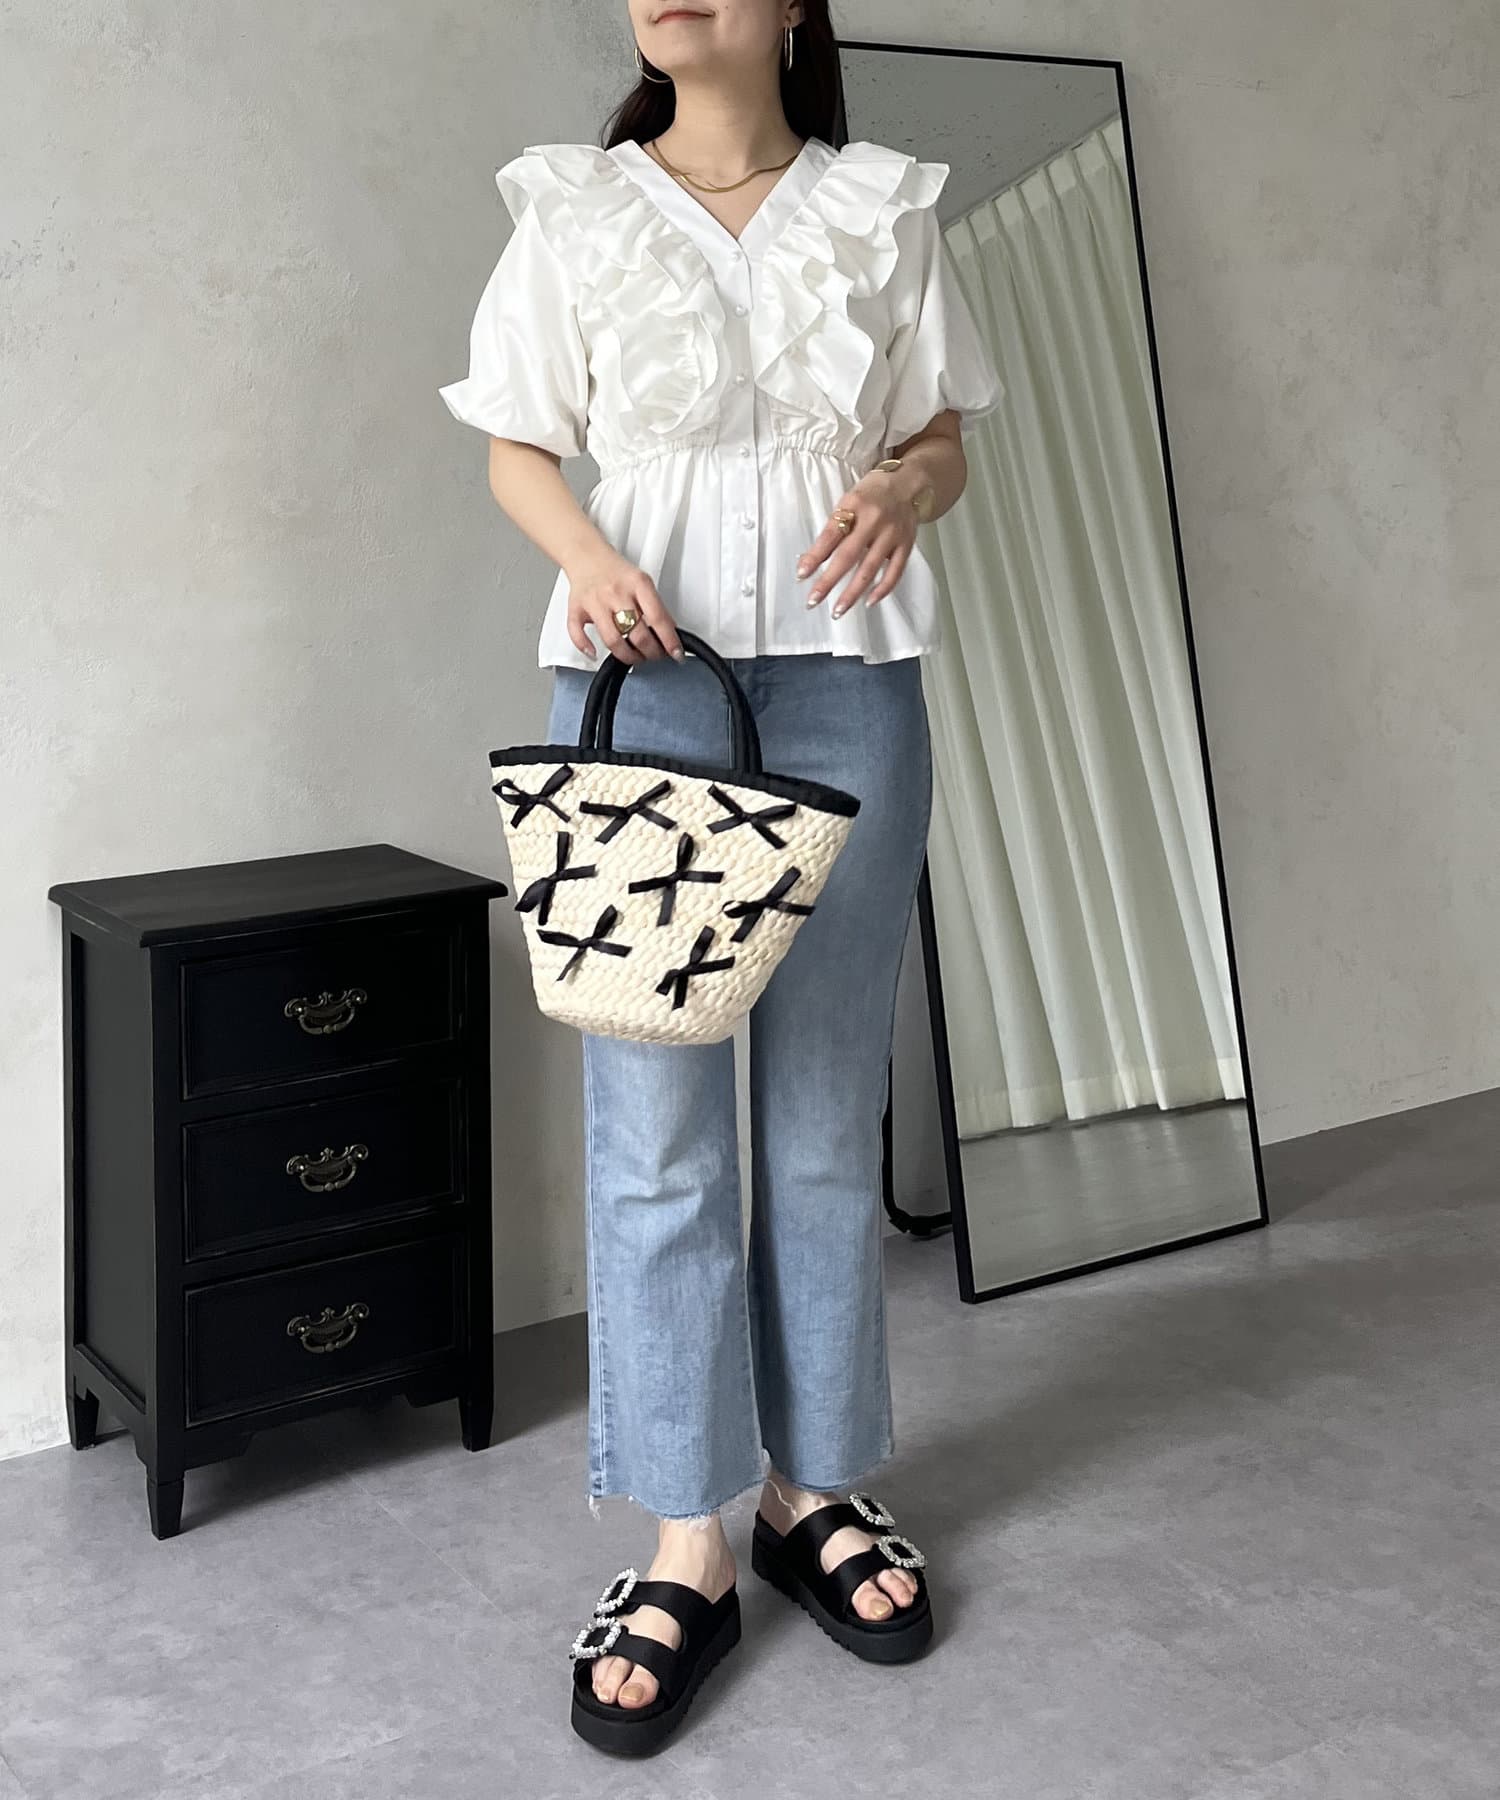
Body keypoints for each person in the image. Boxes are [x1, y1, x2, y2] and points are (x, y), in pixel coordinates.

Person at [439, 0, 1003, 1757]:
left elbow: (946, 433)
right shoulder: (575, 208)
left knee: (825, 1121)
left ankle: (810, 1490)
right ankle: (689, 1532)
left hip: (850, 689)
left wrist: (907, 489)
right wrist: (591, 554)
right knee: (659, 1135)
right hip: (650, 698)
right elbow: (513, 442)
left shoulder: (885, 209)